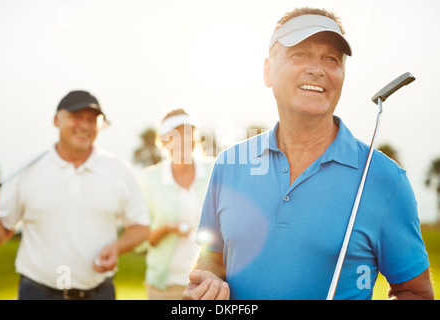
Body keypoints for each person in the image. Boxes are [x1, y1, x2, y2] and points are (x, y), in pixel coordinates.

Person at [183, 8, 433, 300]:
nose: (318, 69)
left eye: (331, 59)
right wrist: (207, 284)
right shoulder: (228, 165)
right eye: (300, 54)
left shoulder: (384, 180)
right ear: (267, 70)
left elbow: (415, 293)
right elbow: (211, 258)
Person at [0, 90, 150, 300]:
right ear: (57, 120)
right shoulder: (27, 169)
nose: (85, 126)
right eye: (77, 117)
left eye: (92, 120)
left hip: (99, 293)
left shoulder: (120, 170)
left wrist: (117, 247)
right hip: (37, 292)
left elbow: (141, 227)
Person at [139, 108, 213, 300]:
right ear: (162, 141)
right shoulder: (149, 180)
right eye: (175, 134)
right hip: (166, 286)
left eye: (188, 132)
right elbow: (140, 239)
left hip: (210, 283)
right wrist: (166, 229)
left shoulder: (215, 169)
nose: (183, 139)